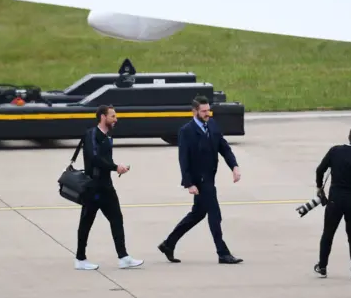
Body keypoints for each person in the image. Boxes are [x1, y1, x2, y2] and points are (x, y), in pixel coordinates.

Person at [157, 95, 244, 264]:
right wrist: (189, 183)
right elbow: (183, 159)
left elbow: (223, 147)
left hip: (210, 177)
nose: (207, 114)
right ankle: (223, 253)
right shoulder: (187, 131)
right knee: (214, 215)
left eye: (208, 110)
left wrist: (234, 166)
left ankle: (169, 243)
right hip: (200, 180)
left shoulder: (211, 124)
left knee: (197, 214)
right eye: (203, 111)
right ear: (194, 111)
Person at [74, 105, 144, 270]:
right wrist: (115, 167)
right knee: (86, 222)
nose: (116, 119)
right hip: (93, 187)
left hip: (106, 186)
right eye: (113, 116)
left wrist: (115, 168)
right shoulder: (92, 134)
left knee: (116, 219)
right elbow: (94, 158)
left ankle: (123, 257)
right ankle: (80, 259)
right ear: (103, 117)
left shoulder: (107, 137)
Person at [313, 126, 351, 279]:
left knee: (328, 233)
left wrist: (320, 186)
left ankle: (323, 266)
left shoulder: (335, 151)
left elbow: (320, 170)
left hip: (335, 199)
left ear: (349, 137)